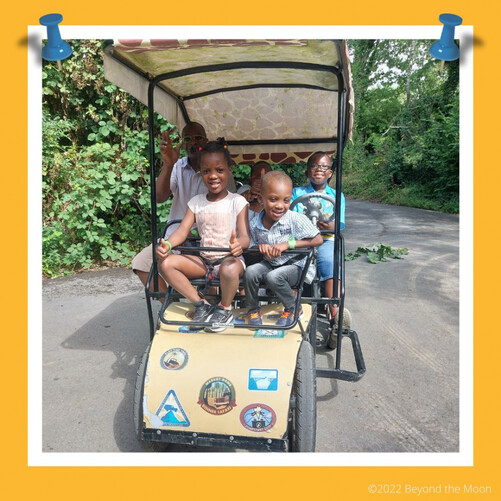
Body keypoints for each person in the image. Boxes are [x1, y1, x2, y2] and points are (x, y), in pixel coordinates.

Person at [156, 140, 250, 332]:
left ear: (229, 170)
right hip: (203, 261)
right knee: (166, 263)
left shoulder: (237, 201)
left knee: (230, 269)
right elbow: (182, 231)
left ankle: (225, 308)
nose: (213, 176)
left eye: (219, 170)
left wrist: (238, 244)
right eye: (206, 171)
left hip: (229, 260)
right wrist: (168, 245)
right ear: (200, 173)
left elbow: (246, 237)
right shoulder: (196, 202)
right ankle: (201, 304)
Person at [132, 122, 209, 294]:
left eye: (198, 138)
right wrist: (169, 164)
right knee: (141, 264)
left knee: (212, 277)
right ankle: (169, 305)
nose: (193, 143)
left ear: (206, 141)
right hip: (173, 240)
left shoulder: (216, 170)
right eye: (188, 139)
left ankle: (203, 307)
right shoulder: (178, 166)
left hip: (206, 242)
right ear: (182, 143)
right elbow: (160, 197)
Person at [244, 171, 323, 327]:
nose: (280, 206)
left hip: (296, 266)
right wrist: (260, 247)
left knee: (274, 277)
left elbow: (318, 239)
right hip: (271, 264)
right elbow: (251, 247)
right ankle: (253, 308)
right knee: (250, 272)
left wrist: (288, 244)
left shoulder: (295, 218)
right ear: (261, 199)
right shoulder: (254, 223)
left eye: (286, 200)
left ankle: (293, 307)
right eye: (273, 200)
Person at [291, 151, 346, 329]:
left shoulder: (337, 196)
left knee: (330, 261)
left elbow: (340, 224)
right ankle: (291, 307)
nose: (319, 169)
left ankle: (335, 312)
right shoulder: (297, 192)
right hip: (302, 240)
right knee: (288, 263)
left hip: (325, 239)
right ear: (308, 171)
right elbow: (290, 217)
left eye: (324, 166)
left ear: (330, 172)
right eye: (314, 166)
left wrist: (327, 225)